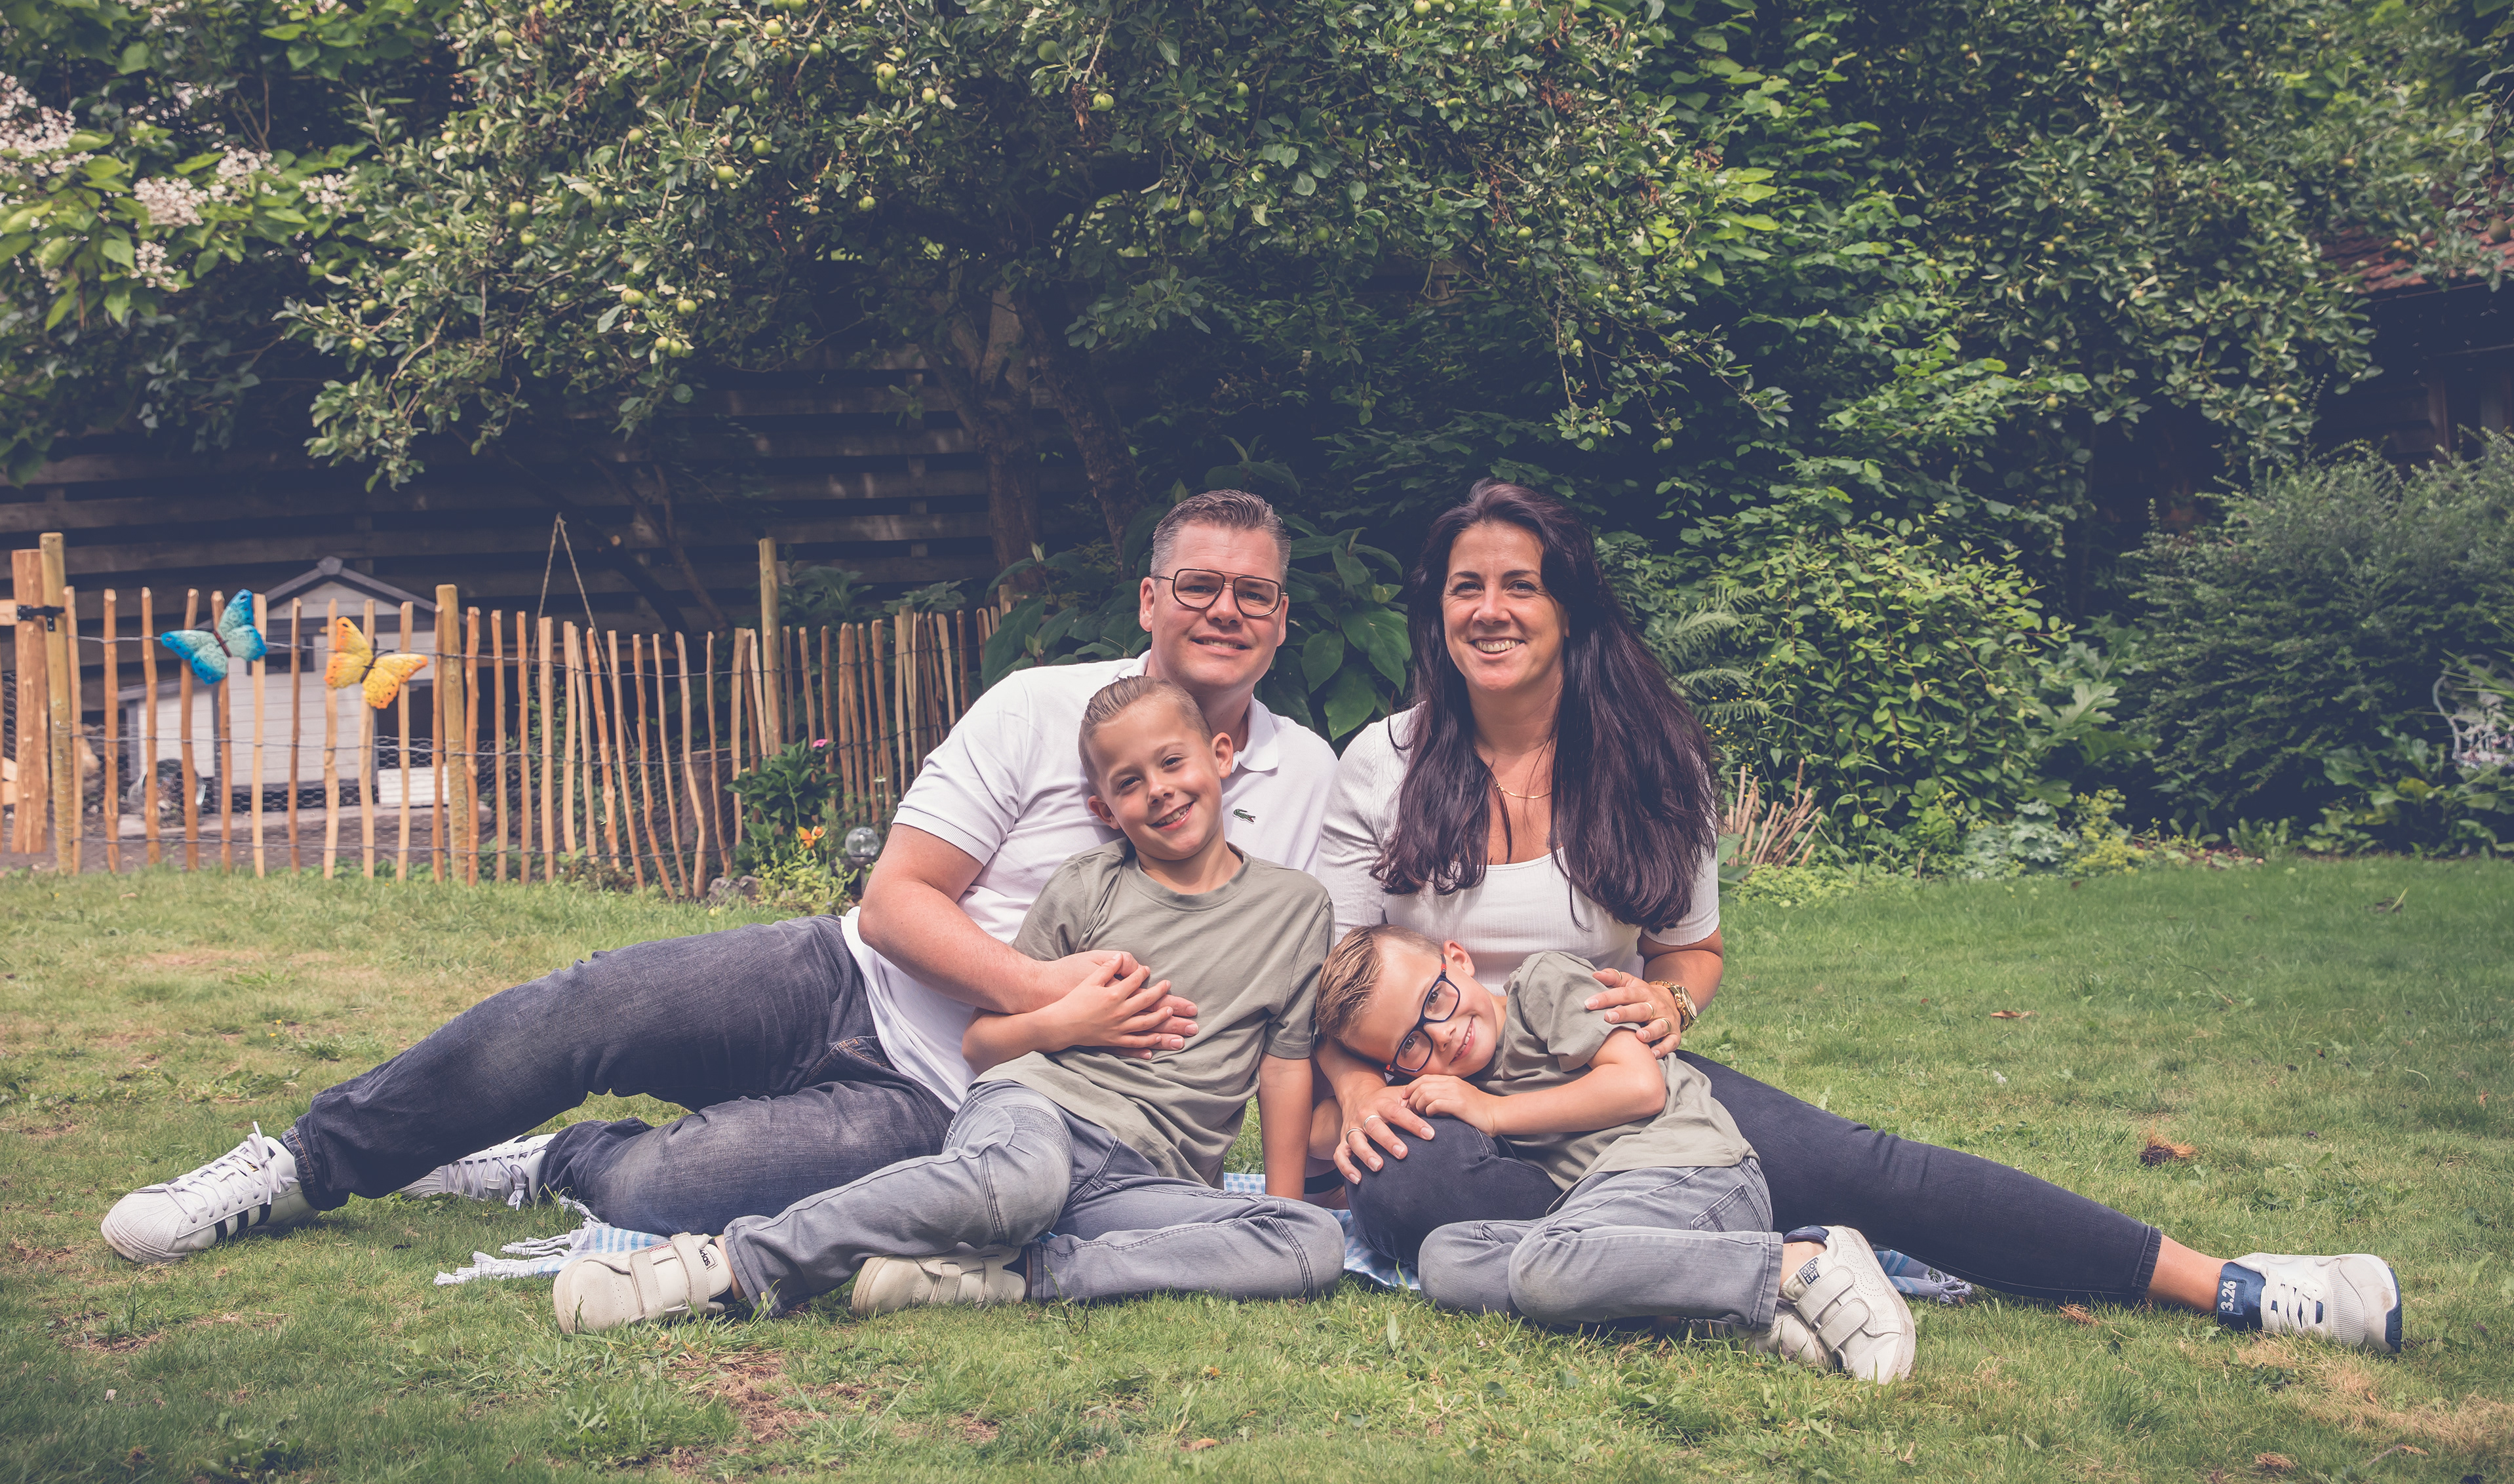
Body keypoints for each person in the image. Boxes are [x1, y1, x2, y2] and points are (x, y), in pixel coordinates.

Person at [99, 490, 1339, 1263]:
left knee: (665, 1184)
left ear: (1283, 621)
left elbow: (1306, 984)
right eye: (1199, 584)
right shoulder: (1039, 706)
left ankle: (551, 1162)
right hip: (843, 978)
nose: (1225, 609)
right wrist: (1047, 995)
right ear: (1151, 597)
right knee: (591, 1003)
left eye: (1256, 593)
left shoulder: (1304, 780)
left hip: (961, 1107)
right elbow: (894, 901)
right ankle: (304, 1164)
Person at [1315, 478, 2404, 1355]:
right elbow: (1331, 977)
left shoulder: (1649, 761)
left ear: (1570, 608)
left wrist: (1670, 1008)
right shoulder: (1384, 763)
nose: (1490, 611)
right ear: (1437, 610)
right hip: (1454, 1113)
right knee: (1414, 1196)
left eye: (1520, 585)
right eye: (1465, 587)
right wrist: (1362, 1092)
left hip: (1618, 1080)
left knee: (1866, 1166)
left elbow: (1693, 951)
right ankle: (1773, 1266)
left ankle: (2235, 1285)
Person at [548, 675, 1343, 1332]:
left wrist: (1276, 1206)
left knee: (1309, 1241)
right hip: (1039, 1114)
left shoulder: (1297, 907)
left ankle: (1016, 1275)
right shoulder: (1089, 887)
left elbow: (1284, 1065)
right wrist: (1066, 1021)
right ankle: (729, 1265)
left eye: (1172, 762)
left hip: (1145, 1180)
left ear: (1222, 755)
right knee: (1022, 1184)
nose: (1159, 791)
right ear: (1104, 809)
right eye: (1129, 782)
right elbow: (983, 1045)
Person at [1316, 924, 1918, 1382]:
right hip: (1612, 1205)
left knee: (1543, 1266)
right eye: (1412, 1044)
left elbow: (1639, 1086)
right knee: (1447, 1260)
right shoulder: (1455, 1083)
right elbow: (1321, 1123)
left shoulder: (1542, 985)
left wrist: (1492, 1113)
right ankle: (1716, 1315)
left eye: (1435, 1000)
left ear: (1458, 958)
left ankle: (1802, 1260)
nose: (1443, 1034)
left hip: (1694, 1174)